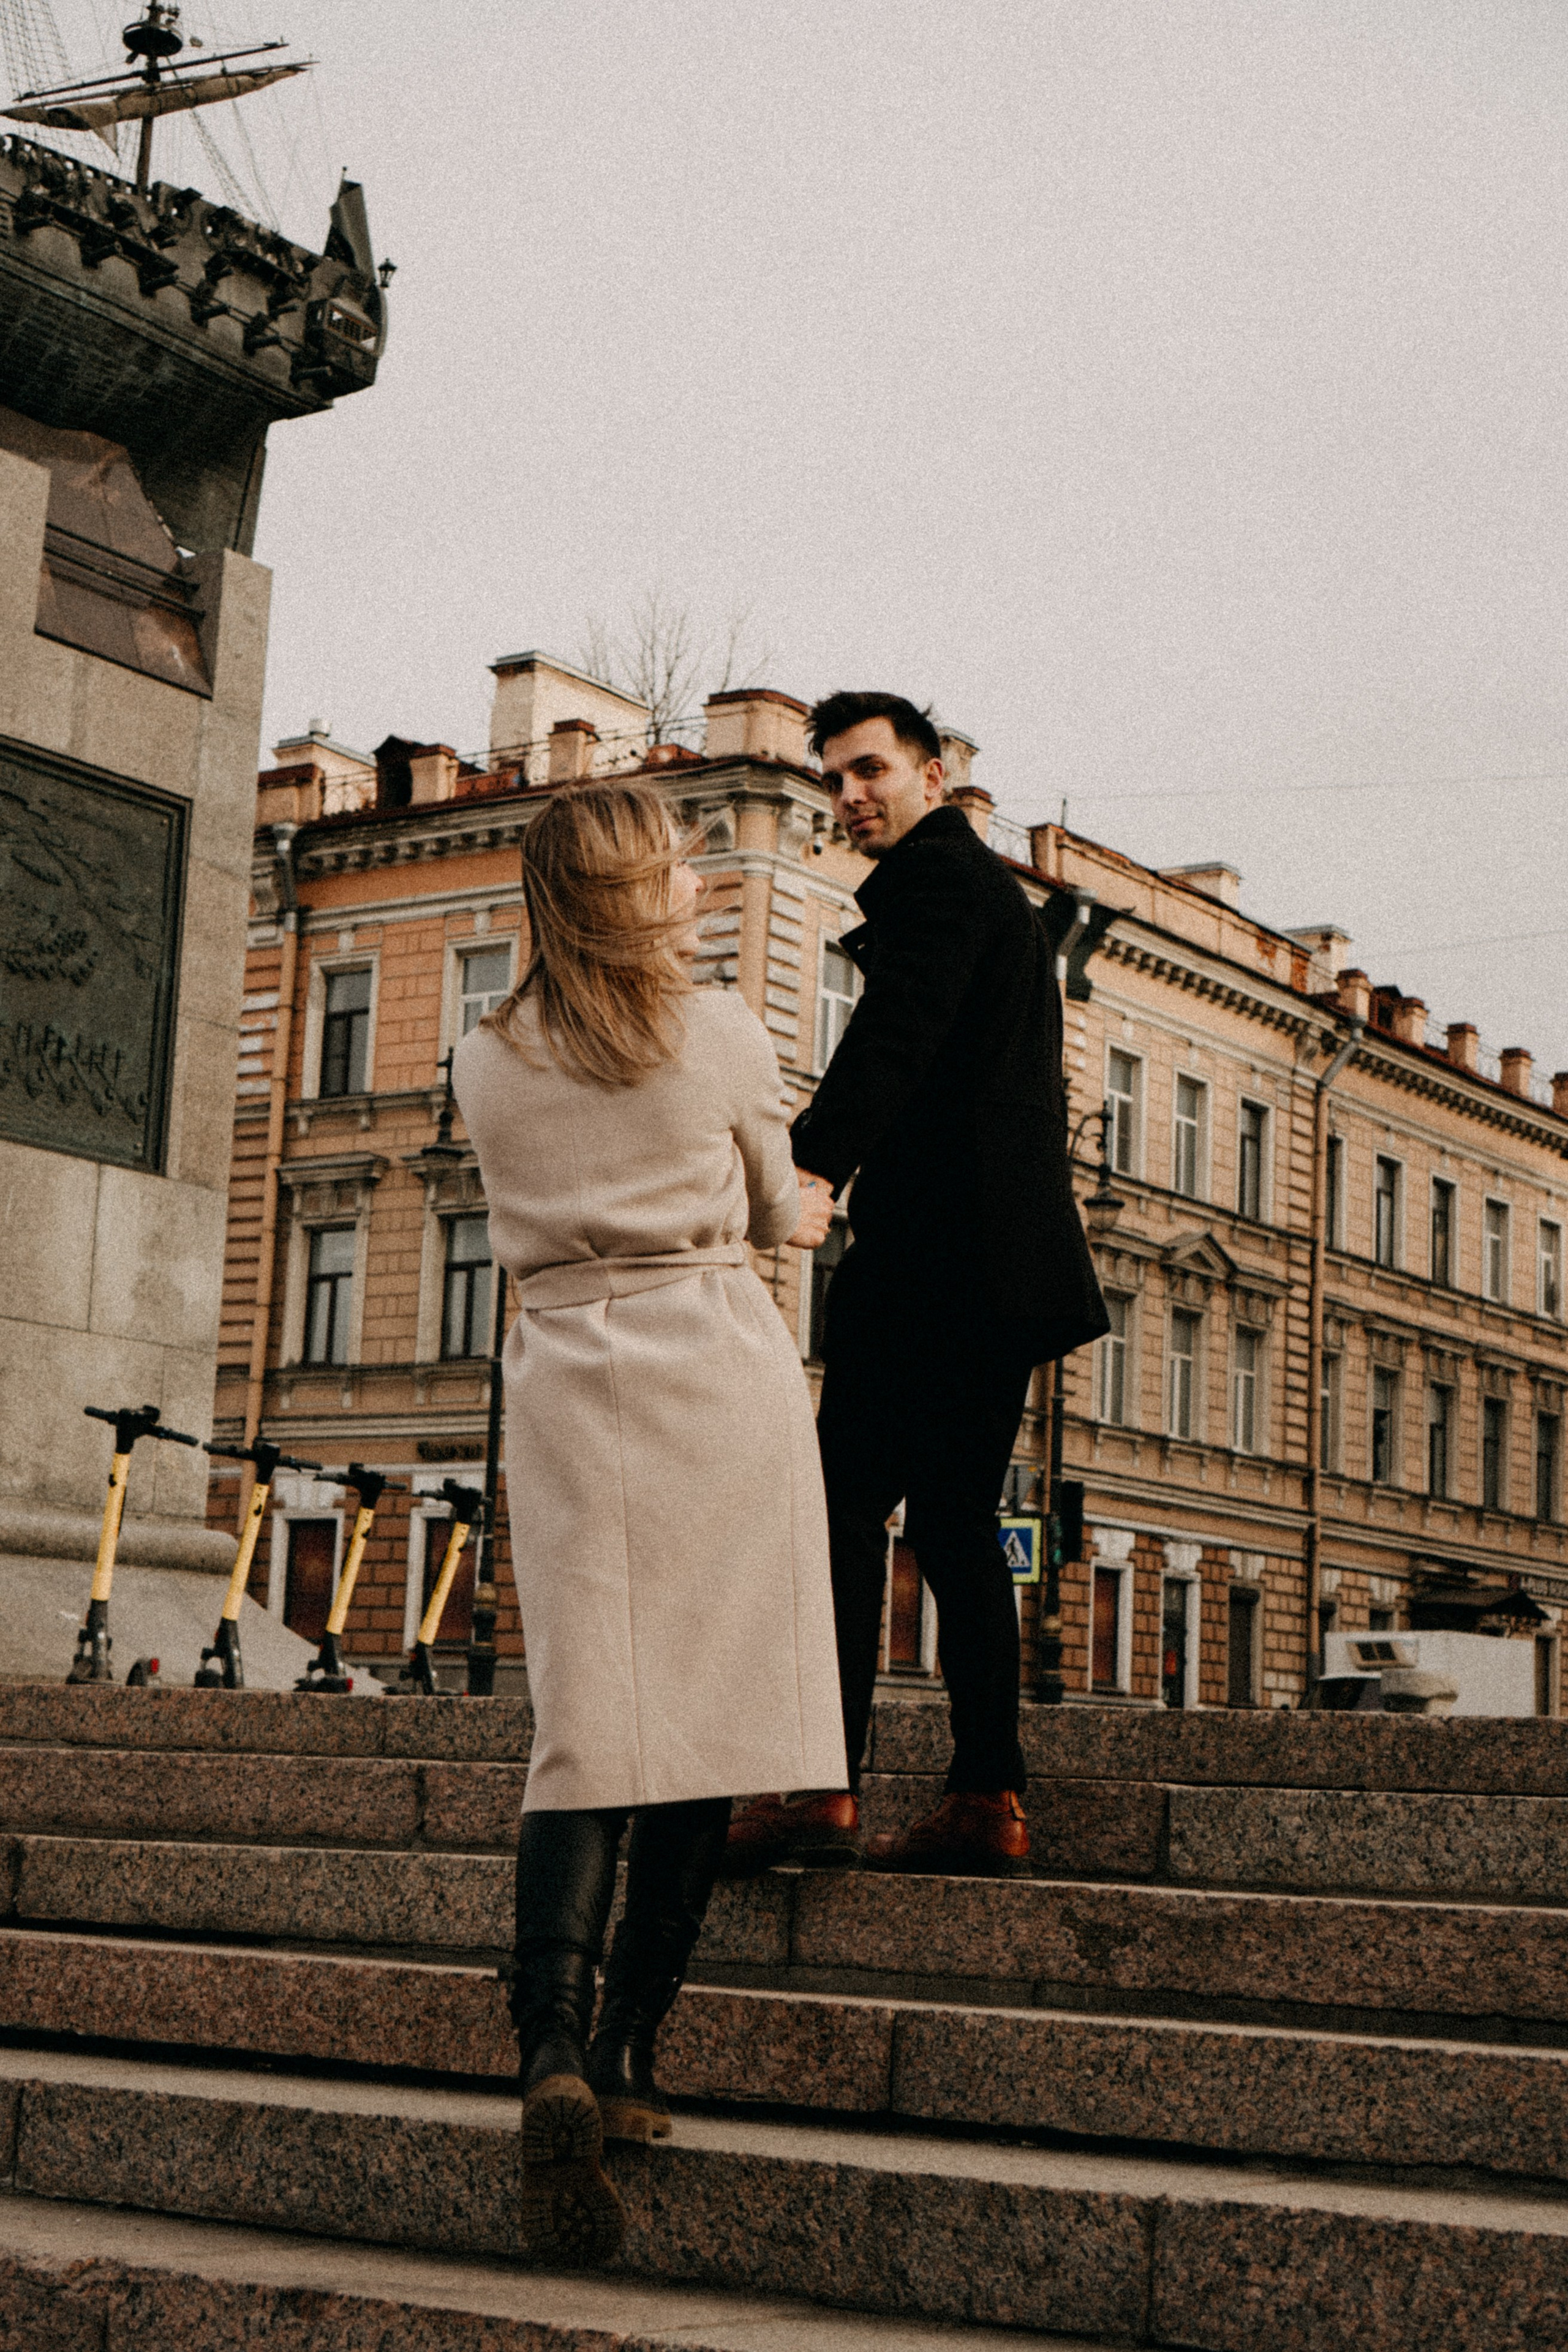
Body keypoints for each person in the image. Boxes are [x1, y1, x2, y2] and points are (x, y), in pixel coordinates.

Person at [453, 780, 844, 2267]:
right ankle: (625, 2055)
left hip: (563, 1380)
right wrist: (790, 1217)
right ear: (636, 889)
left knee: (588, 1723)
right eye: (678, 864)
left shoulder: (480, 1059)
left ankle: (543, 2043)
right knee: (708, 1723)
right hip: (711, 1372)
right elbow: (763, 1210)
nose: (695, 881)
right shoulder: (727, 1035)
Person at [723, 693, 1108, 1883]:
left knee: (835, 1510)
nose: (850, 795)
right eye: (835, 778)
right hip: (1002, 1266)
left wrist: (810, 1160)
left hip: (937, 1257)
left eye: (870, 770)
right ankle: (984, 1796)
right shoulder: (983, 894)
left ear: (931, 775)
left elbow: (895, 1031)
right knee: (949, 1524)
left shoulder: (940, 884)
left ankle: (822, 1787)